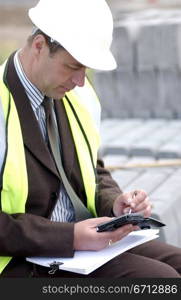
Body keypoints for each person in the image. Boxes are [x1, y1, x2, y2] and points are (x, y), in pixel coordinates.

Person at [0, 0, 181, 278]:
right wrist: (69, 237)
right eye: (73, 66)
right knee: (159, 282)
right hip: (20, 262)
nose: (81, 81)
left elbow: (91, 167)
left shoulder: (76, 97)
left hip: (83, 247)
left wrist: (115, 202)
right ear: (39, 46)